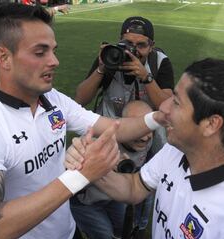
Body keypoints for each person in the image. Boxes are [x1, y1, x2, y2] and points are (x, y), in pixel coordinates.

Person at [0, 3, 165, 239]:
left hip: (68, 232)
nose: (54, 61)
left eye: (53, 50)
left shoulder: (51, 99)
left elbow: (113, 127)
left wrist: (158, 116)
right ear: (4, 57)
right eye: (40, 52)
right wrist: (81, 175)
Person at [67, 58, 224, 239]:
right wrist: (90, 166)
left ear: (211, 124)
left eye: (176, 102)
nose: (163, 107)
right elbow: (134, 187)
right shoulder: (176, 151)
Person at [75, 16, 174, 153]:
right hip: (110, 124)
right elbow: (80, 100)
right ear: (120, 40)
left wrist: (146, 77)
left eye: (141, 45)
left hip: (146, 127)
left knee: (164, 158)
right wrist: (102, 68)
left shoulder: (159, 62)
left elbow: (168, 108)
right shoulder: (111, 55)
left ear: (151, 46)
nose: (133, 50)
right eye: (128, 43)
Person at [69, 100, 154, 239]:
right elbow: (70, 181)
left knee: (123, 231)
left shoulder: (151, 141)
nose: (145, 137)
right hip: (85, 202)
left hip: (115, 197)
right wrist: (103, 167)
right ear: (126, 126)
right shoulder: (98, 143)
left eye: (148, 128)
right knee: (104, 236)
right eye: (138, 128)